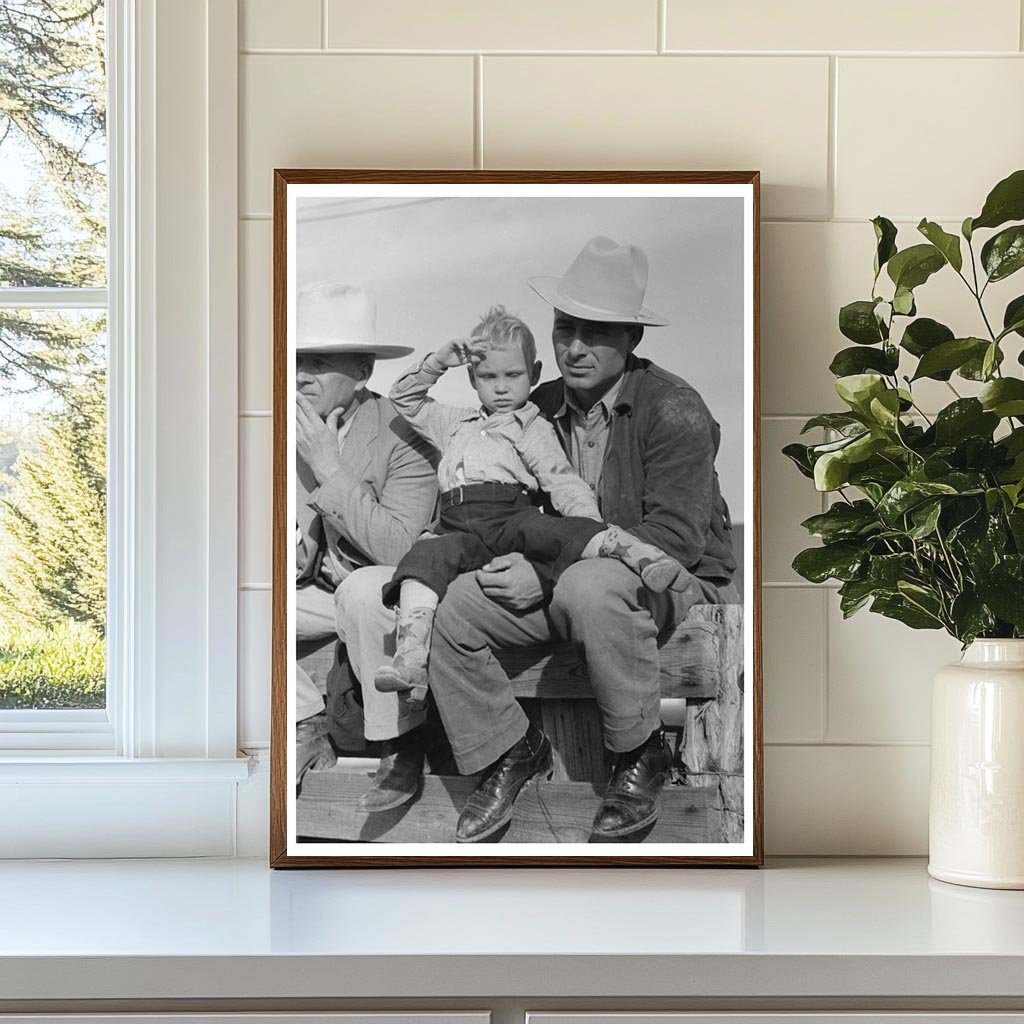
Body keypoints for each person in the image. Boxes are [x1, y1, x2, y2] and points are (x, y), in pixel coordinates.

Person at [337, 236, 737, 843]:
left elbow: (676, 539)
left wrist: (543, 572)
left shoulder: (672, 409)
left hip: (663, 580)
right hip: (560, 567)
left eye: (596, 332)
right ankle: (510, 749)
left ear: (632, 339)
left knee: (592, 584)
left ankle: (639, 751)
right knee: (454, 605)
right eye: (565, 327)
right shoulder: (535, 401)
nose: (575, 346)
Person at [372, 306, 685, 709]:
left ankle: (639, 555)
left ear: (534, 375)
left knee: (555, 531)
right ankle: (410, 659)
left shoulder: (532, 426)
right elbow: (404, 398)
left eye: (513, 376)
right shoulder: (454, 422)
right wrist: (439, 362)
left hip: (507, 516)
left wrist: (586, 521)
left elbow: (561, 479)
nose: (501, 388)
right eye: (488, 377)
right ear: (472, 378)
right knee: (420, 564)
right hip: (456, 525)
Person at [294, 283, 437, 810]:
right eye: (299, 359)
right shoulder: (284, 426)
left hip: (394, 593)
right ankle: (304, 721)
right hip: (322, 592)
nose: (303, 374)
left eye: (322, 362)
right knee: (221, 595)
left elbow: (401, 549)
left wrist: (328, 467)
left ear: (362, 373)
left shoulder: (407, 434)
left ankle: (400, 746)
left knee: (361, 590)